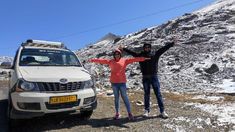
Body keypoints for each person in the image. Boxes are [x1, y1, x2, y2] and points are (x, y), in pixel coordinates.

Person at [119, 41, 175, 118]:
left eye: (148, 47)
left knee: (158, 94)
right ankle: (146, 110)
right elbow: (132, 53)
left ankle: (162, 111)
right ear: (144, 48)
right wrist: (124, 49)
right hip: (145, 77)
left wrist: (171, 44)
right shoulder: (140, 55)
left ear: (150, 48)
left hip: (154, 76)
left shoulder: (155, 54)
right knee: (146, 94)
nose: (147, 48)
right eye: (145, 47)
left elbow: (163, 49)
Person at [89, 49, 149, 120]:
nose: (117, 55)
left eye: (118, 54)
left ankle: (129, 113)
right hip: (114, 83)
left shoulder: (124, 61)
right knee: (116, 98)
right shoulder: (111, 61)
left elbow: (134, 59)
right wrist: (92, 60)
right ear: (114, 55)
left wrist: (143, 59)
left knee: (125, 98)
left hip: (122, 83)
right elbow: (101, 61)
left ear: (120, 55)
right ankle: (117, 113)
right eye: (115, 54)